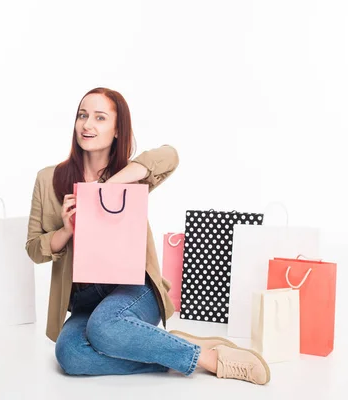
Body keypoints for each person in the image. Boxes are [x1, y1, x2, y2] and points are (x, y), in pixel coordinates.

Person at [25, 87, 270, 384]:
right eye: (82, 115)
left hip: (134, 289)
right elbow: (34, 249)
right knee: (71, 355)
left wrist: (108, 187)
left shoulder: (131, 176)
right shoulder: (47, 178)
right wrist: (66, 230)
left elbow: (170, 156)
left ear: (117, 130)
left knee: (104, 328)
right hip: (85, 299)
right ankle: (174, 349)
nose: (87, 124)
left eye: (100, 118)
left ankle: (212, 360)